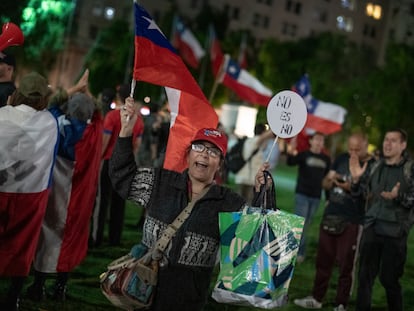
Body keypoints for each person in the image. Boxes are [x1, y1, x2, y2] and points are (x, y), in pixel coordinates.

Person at [108, 97, 272, 311]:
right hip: (143, 290)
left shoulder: (228, 202)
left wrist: (261, 193)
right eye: (199, 147)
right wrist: (125, 133)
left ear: (220, 165)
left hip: (188, 299)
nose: (204, 153)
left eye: (213, 152)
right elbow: (123, 178)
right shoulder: (161, 182)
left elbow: (255, 238)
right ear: (188, 154)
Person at [26, 70, 103, 302]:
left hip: (52, 195)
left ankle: (38, 285)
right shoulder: (93, 133)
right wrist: (87, 92)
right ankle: (60, 287)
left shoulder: (54, 122)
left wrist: (75, 88)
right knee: (71, 239)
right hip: (78, 200)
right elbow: (99, 113)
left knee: (45, 237)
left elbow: (51, 103)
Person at [294, 133, 373, 311]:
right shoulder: (341, 158)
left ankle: (341, 304)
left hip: (352, 219)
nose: (352, 153)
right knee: (323, 261)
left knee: (346, 266)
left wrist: (353, 185)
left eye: (357, 149)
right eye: (350, 148)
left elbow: (370, 195)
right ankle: (316, 298)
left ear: (366, 146)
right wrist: (331, 180)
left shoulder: (371, 165)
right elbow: (325, 185)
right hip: (331, 214)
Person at [0, 72, 58, 311]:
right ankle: (13, 297)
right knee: (23, 245)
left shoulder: (2, 116)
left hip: (2, 188)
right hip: (32, 193)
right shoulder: (49, 122)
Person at [350, 128, 414, 311]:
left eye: (393, 140)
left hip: (395, 232)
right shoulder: (374, 166)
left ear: (403, 145)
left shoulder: (410, 169)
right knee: (364, 279)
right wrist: (355, 180)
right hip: (372, 227)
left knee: (389, 280)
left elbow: (412, 200)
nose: (387, 143)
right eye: (386, 139)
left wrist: (398, 196)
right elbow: (359, 194)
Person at [92, 86, 145, 247]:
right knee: (119, 203)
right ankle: (115, 239)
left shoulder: (112, 116)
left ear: (118, 97)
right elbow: (137, 146)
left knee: (102, 202)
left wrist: (98, 160)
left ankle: (97, 238)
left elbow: (105, 141)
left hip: (109, 161)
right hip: (126, 165)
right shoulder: (139, 121)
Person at [286, 132, 331, 262]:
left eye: (321, 140)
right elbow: (290, 162)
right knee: (301, 223)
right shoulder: (304, 154)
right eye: (316, 139)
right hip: (302, 194)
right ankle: (297, 252)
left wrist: (328, 198)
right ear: (311, 141)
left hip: (316, 196)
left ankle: (297, 250)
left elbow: (327, 180)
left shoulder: (326, 159)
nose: (319, 142)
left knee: (307, 223)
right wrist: (291, 149)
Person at [234, 123, 274, 202]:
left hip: (242, 177)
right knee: (248, 205)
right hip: (250, 179)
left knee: (238, 205)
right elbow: (266, 136)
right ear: (263, 133)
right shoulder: (256, 140)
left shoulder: (248, 141)